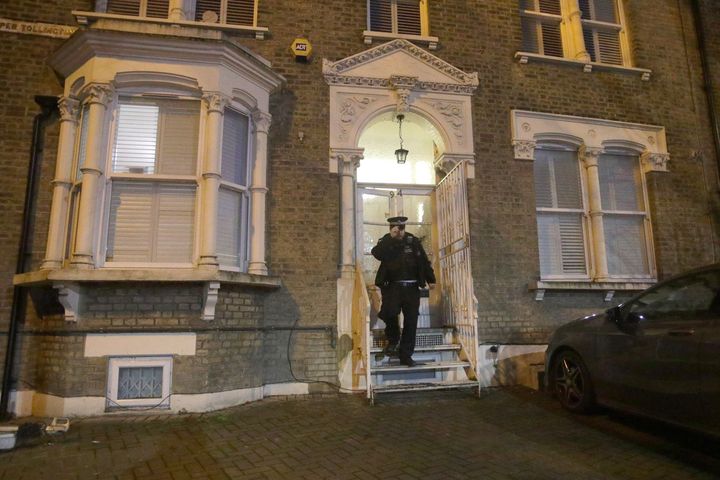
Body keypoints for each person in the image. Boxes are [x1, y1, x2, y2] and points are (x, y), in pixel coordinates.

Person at [371, 216, 436, 367]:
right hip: (393, 287)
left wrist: (430, 279)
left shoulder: (413, 241)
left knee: (411, 321)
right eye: (395, 228)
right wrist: (391, 239)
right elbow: (377, 254)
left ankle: (406, 355)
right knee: (389, 313)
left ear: (404, 228)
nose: (398, 231)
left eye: (401, 228)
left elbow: (423, 260)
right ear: (390, 228)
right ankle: (393, 340)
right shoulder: (386, 241)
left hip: (412, 288)